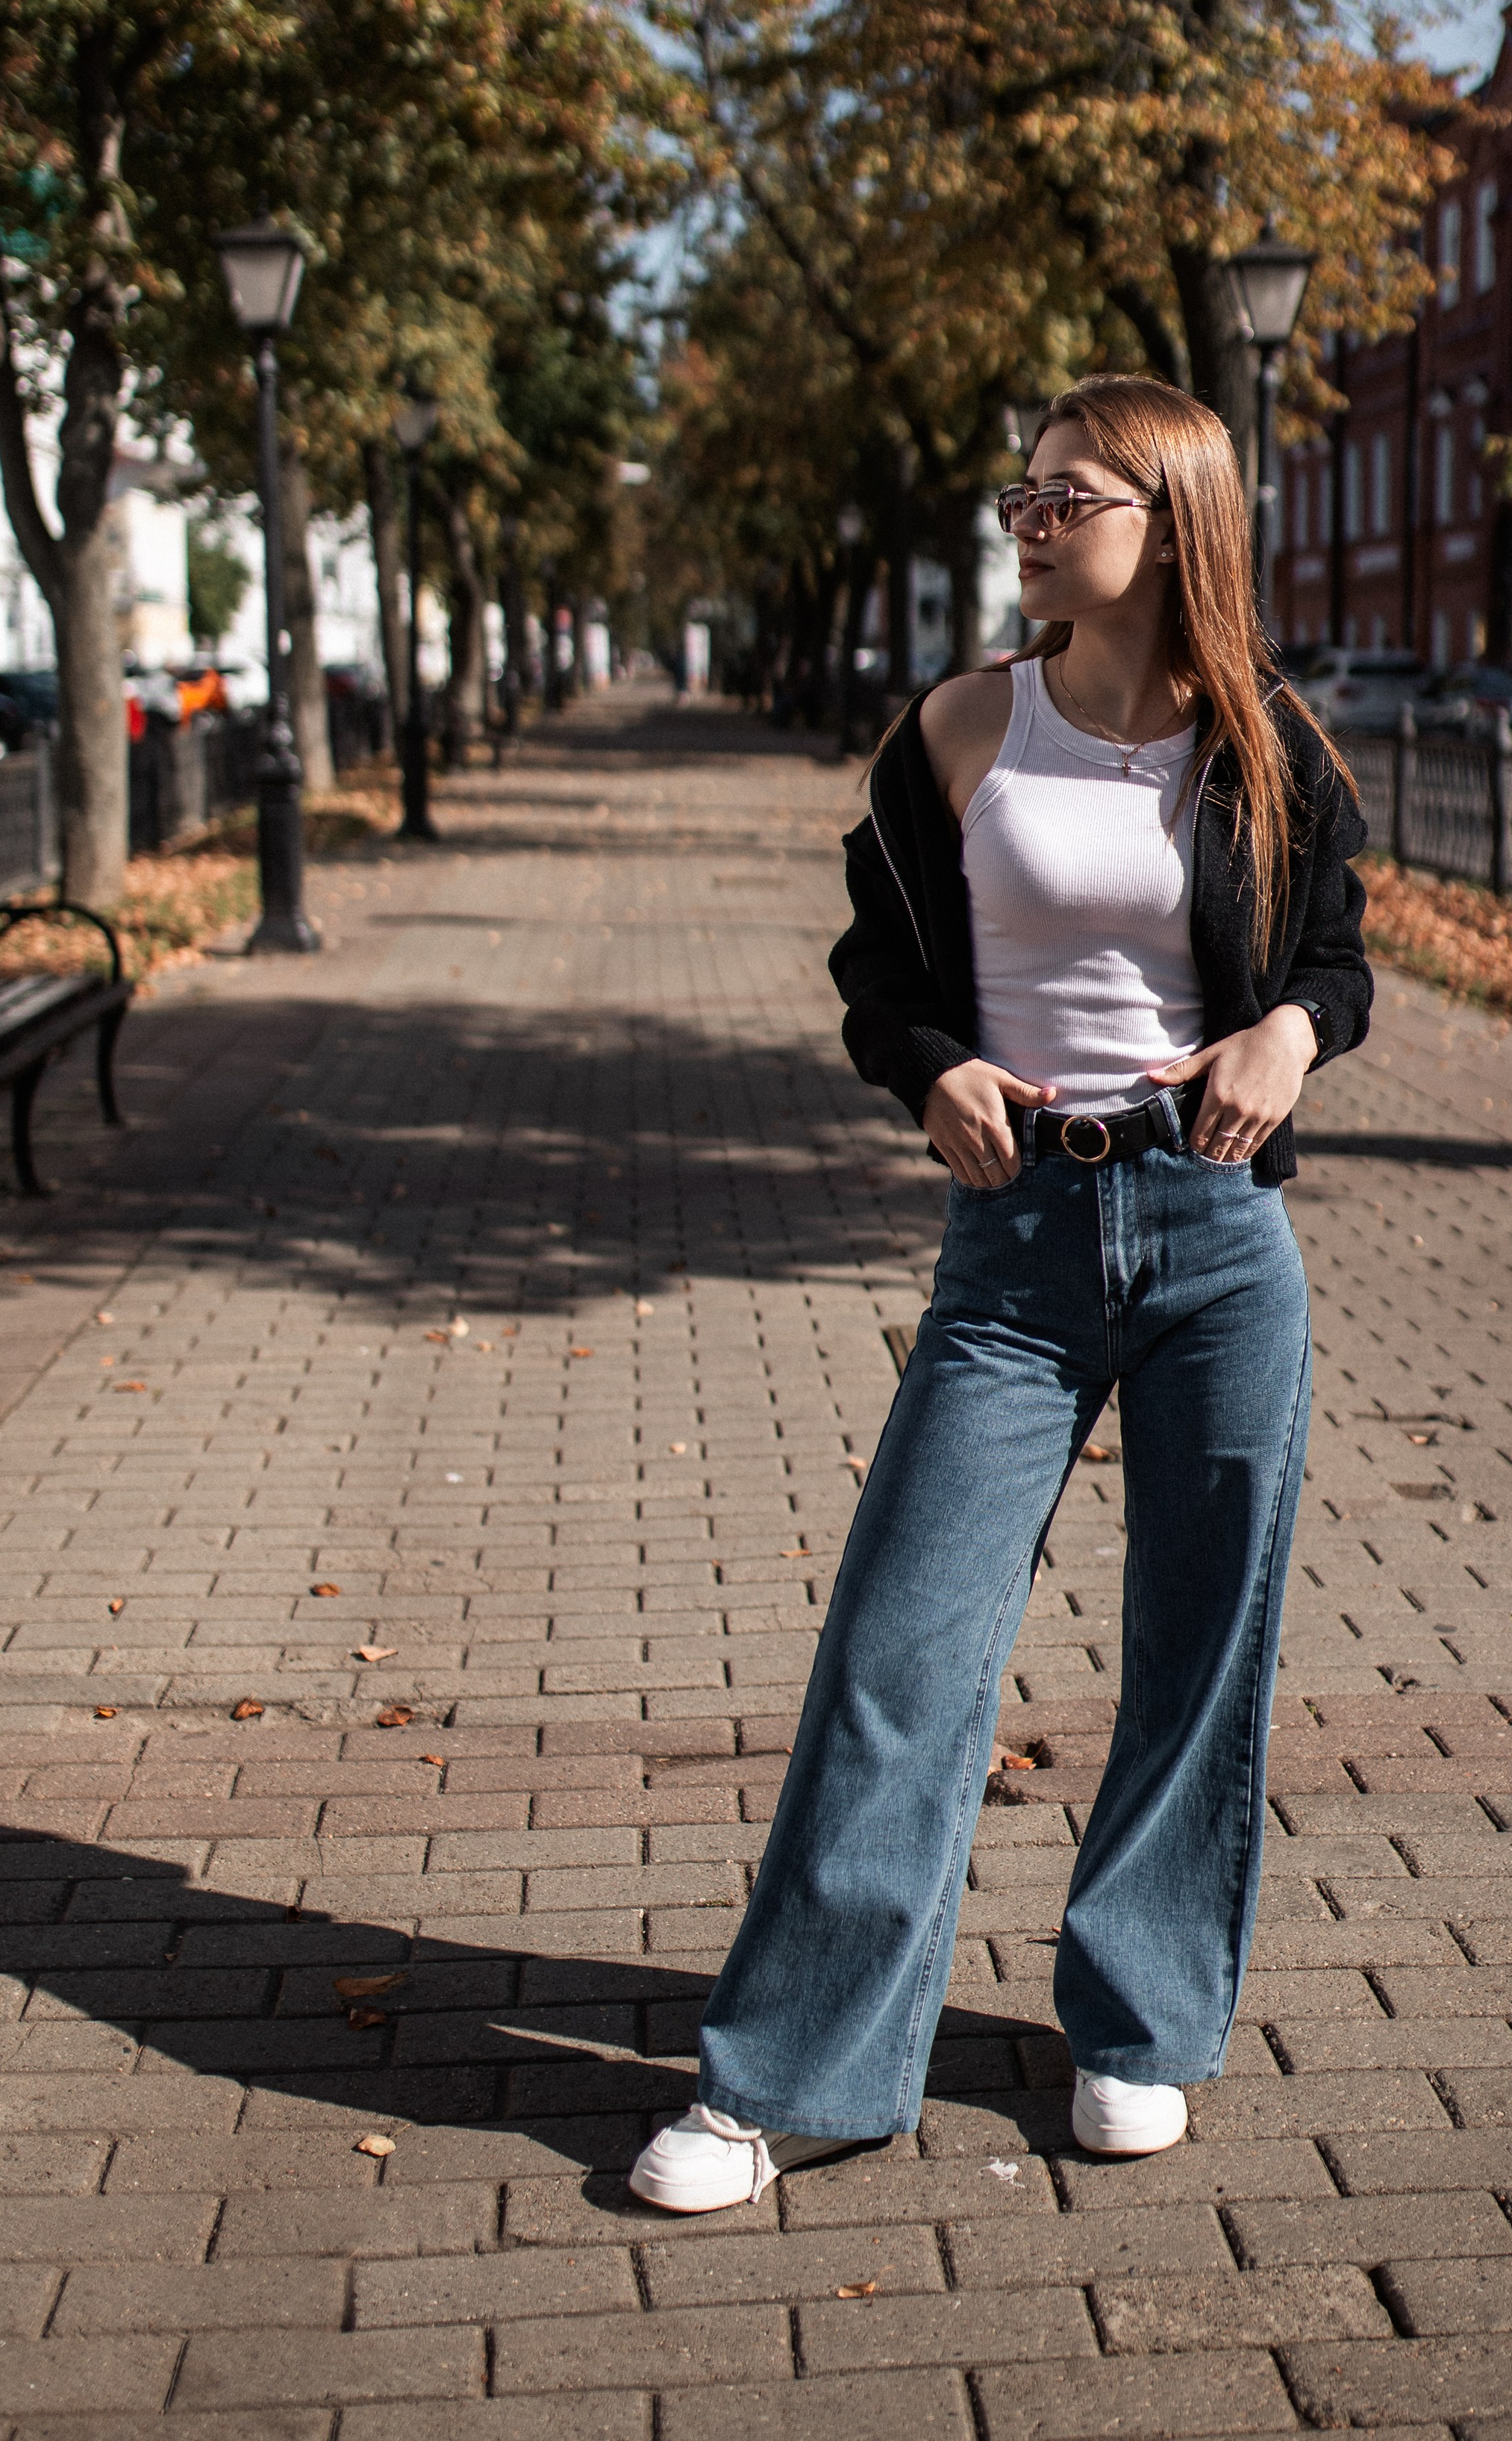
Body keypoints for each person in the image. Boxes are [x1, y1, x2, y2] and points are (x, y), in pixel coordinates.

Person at [630, 374, 1372, 2214]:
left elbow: (1336, 961)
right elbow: (874, 974)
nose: (1029, 524)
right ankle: (790, 2071)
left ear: (1170, 522)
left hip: (1214, 1234)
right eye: (1019, 497)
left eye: (1067, 498)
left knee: (1198, 1648)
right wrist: (931, 1068)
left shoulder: (1267, 741)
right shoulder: (963, 724)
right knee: (900, 1646)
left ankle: (1138, 2029)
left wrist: (1287, 1031)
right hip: (1015, 1247)